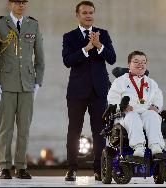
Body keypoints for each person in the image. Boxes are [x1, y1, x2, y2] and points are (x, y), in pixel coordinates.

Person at [62, 1, 116, 181]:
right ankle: (71, 168)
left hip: (99, 91)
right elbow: (67, 61)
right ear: (77, 15)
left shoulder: (103, 34)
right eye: (84, 12)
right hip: (77, 92)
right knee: (74, 130)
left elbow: (112, 58)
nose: (88, 15)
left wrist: (99, 45)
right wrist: (86, 49)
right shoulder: (69, 36)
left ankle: (99, 168)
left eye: (91, 12)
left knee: (99, 131)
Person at [0, 0, 45, 179]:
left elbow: (40, 57)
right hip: (6, 84)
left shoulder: (33, 24)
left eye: (24, 2)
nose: (21, 5)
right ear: (10, 4)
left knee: (24, 129)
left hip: (27, 84)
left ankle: (21, 167)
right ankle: (4, 166)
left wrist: (38, 83)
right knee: (6, 128)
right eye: (17, 2)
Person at [107, 51, 164, 158]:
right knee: (132, 116)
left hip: (145, 112)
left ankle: (156, 146)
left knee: (152, 115)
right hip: (125, 114)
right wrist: (122, 107)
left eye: (143, 62)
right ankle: (138, 147)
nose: (140, 64)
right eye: (136, 61)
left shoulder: (151, 83)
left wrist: (155, 106)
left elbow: (158, 97)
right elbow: (112, 98)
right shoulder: (120, 81)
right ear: (129, 64)